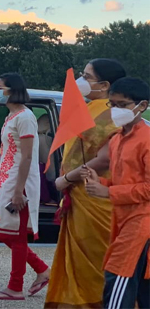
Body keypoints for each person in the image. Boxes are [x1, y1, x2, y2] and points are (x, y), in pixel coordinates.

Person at [45, 59, 126, 308]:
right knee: (81, 260)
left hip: (97, 196)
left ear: (104, 85)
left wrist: (67, 178)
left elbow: (104, 159)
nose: (81, 80)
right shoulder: (89, 109)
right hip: (80, 196)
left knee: (96, 257)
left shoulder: (112, 114)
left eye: (87, 76)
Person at [84, 77, 150, 309]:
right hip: (124, 218)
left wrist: (107, 192)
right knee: (142, 287)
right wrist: (100, 182)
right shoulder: (117, 139)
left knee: (118, 280)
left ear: (142, 106)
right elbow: (125, 180)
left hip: (141, 222)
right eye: (112, 104)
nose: (115, 110)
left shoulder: (147, 140)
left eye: (122, 105)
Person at [0, 73, 50, 301]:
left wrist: (17, 191)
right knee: (2, 230)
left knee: (16, 235)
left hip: (18, 183)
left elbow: (26, 158)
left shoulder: (25, 117)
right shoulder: (12, 116)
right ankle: (41, 270)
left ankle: (15, 287)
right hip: (8, 180)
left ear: (13, 90)